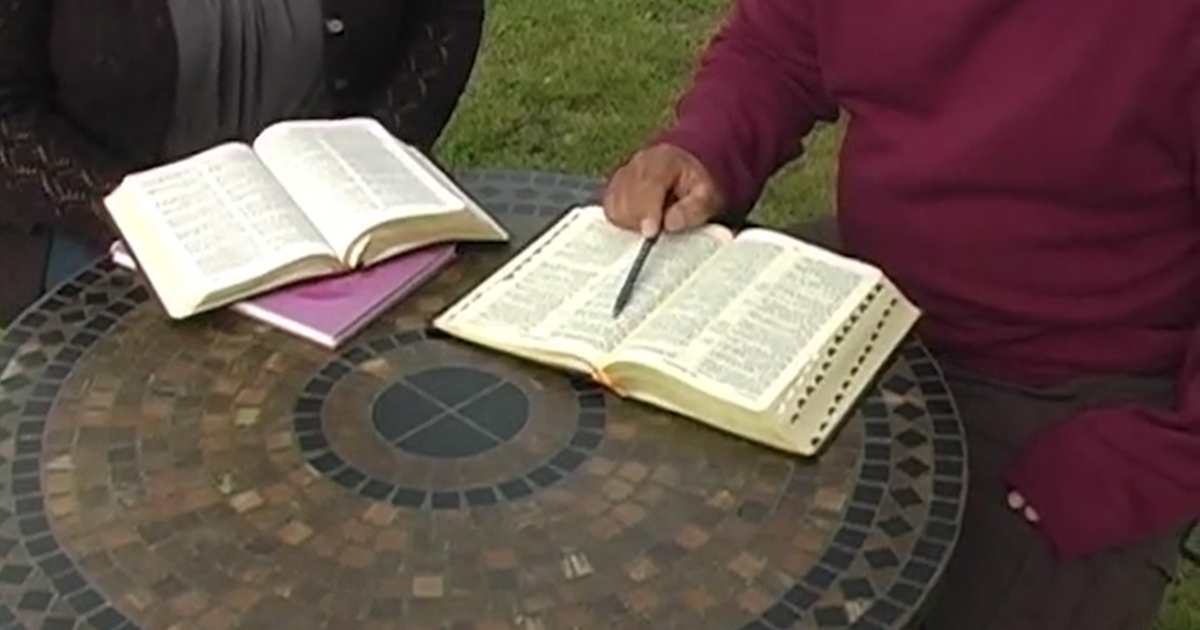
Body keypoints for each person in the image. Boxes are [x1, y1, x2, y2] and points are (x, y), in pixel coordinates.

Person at [603, 0, 1199, 628]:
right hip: (864, 299)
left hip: (1066, 389)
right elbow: (779, 46)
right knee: (643, 532)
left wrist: (1140, 466)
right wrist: (705, 147)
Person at [0, 0, 485, 325]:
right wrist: (141, 216)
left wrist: (369, 158)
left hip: (338, 238)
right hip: (107, 236)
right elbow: (9, 114)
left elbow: (446, 14)